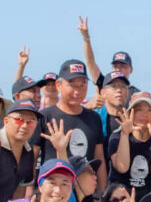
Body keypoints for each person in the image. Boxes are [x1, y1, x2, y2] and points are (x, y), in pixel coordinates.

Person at [39, 59, 107, 191]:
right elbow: (33, 158)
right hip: (54, 194)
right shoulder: (45, 116)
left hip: (86, 195)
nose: (77, 91)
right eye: (72, 85)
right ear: (59, 85)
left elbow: (100, 159)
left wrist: (103, 195)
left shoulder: (94, 118)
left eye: (82, 85)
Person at [107, 91, 151, 197]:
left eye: (149, 110)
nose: (144, 114)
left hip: (148, 200)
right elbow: (122, 167)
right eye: (139, 109)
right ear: (131, 113)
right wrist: (125, 134)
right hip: (120, 199)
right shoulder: (116, 137)